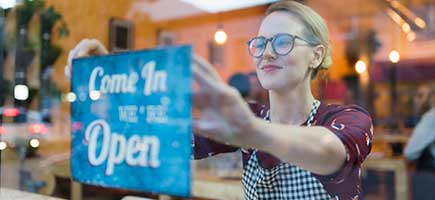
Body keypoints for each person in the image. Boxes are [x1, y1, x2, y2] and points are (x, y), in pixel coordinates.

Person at [66, 1, 373, 199]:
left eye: (282, 42)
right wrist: (108, 82)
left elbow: (327, 151)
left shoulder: (348, 119)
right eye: (261, 43)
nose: (266, 52)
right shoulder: (250, 115)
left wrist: (250, 131)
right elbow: (163, 137)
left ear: (316, 55)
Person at [404, 71, 435, 200]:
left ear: (434, 97)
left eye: (420, 95)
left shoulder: (432, 118)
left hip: (433, 180)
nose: (416, 100)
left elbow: (410, 153)